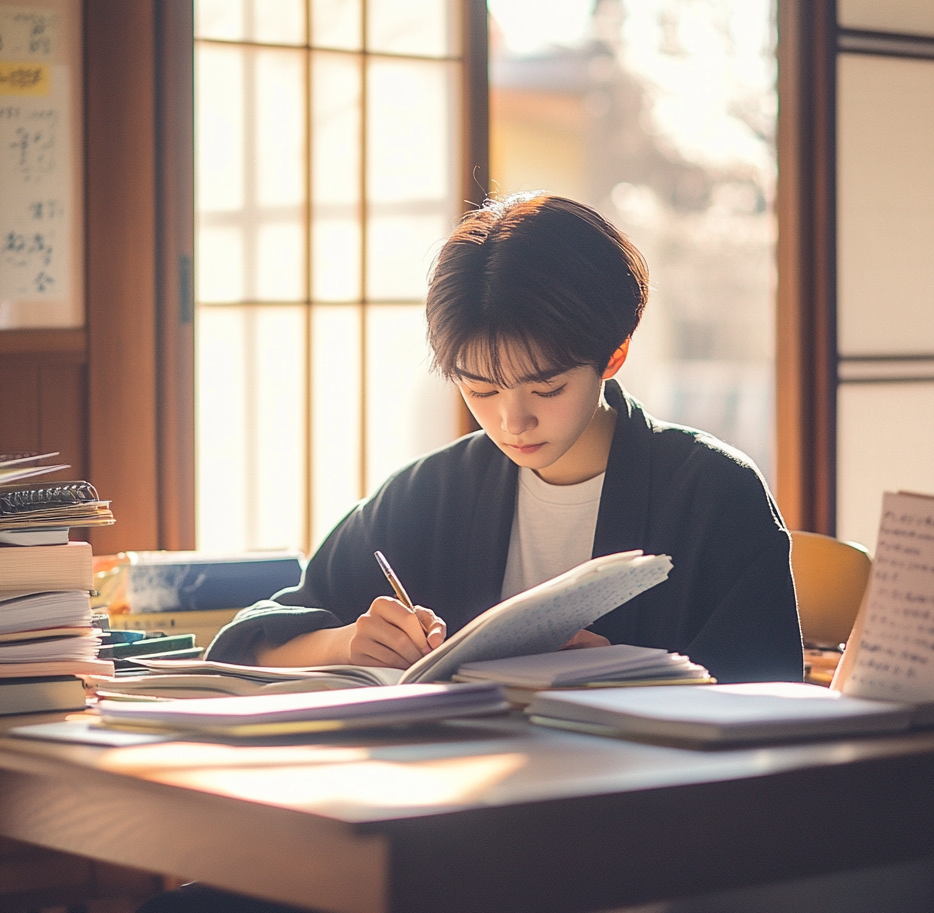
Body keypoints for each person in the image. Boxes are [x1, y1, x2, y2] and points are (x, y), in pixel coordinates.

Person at [207, 194, 802, 683]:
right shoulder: (431, 492)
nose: (512, 423)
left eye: (546, 389)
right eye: (481, 390)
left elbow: (772, 698)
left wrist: (638, 681)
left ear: (613, 355)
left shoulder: (713, 492)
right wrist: (342, 645)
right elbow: (244, 647)